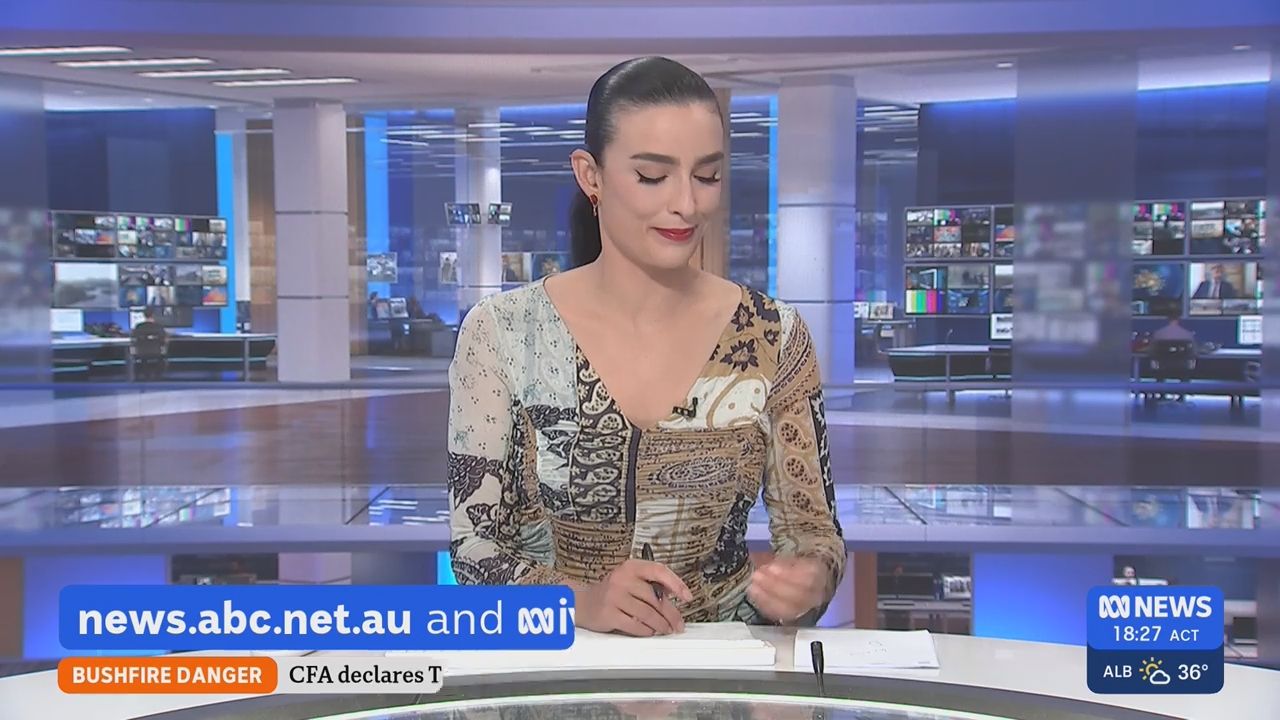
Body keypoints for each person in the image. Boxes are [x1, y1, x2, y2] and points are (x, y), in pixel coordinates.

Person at [447, 56, 845, 636]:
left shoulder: (773, 335)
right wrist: (580, 603)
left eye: (707, 176)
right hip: (557, 667)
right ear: (591, 176)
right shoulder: (502, 331)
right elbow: (474, 548)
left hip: (720, 667)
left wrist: (809, 579)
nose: (687, 203)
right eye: (653, 176)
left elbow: (815, 535)